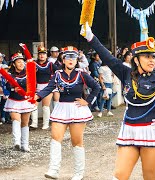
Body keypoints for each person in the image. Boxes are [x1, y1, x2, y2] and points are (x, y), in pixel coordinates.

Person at [81, 22, 155, 180]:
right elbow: (107, 57)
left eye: (153, 56)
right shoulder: (126, 73)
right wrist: (90, 37)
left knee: (149, 177)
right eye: (147, 56)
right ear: (136, 60)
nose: (152, 60)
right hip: (129, 131)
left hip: (152, 133)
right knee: (119, 175)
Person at [32, 46, 100, 180]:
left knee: (76, 141)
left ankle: (78, 173)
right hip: (61, 109)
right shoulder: (57, 74)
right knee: (55, 138)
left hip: (77, 109)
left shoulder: (81, 73)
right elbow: (49, 88)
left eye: (73, 57)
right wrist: (37, 97)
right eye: (68, 57)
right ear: (63, 60)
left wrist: (88, 101)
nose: (71, 60)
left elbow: (96, 87)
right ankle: (54, 169)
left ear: (76, 60)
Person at [4, 53, 37, 152]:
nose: (21, 63)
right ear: (14, 64)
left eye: (22, 61)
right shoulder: (10, 75)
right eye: (18, 62)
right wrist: (14, 89)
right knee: (16, 120)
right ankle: (16, 142)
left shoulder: (28, 73)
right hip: (13, 101)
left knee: (25, 123)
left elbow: (33, 85)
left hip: (26, 101)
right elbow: (8, 87)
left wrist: (34, 98)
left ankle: (25, 145)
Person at [30, 46, 59, 130]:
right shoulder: (34, 64)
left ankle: (45, 124)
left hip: (47, 87)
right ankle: (34, 123)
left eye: (43, 54)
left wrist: (54, 82)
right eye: (40, 54)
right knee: (34, 105)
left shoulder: (50, 64)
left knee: (45, 106)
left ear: (46, 55)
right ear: (38, 55)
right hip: (37, 87)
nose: (42, 56)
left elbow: (58, 73)